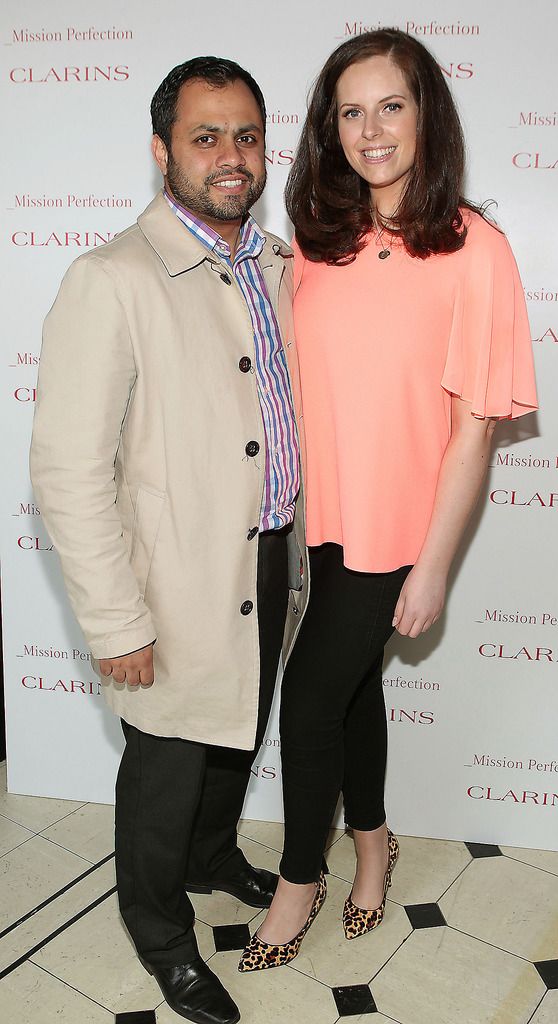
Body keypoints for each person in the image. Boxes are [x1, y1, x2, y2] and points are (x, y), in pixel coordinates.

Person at [238, 29, 538, 972]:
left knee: (308, 700)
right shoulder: (318, 245)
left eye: (391, 106)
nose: (371, 130)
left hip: (398, 531)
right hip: (320, 518)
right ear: (331, 126)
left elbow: (475, 428)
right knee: (355, 690)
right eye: (351, 110)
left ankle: (300, 877)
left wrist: (434, 565)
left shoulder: (474, 249)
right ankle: (373, 846)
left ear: (427, 115)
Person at [30, 56, 308, 1024]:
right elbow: (68, 471)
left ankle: (212, 854)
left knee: (240, 725)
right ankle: (159, 930)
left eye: (245, 135)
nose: (230, 157)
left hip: (272, 552)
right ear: (162, 151)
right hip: (172, 573)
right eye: (205, 136)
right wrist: (115, 620)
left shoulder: (274, 263)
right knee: (166, 765)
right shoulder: (110, 277)